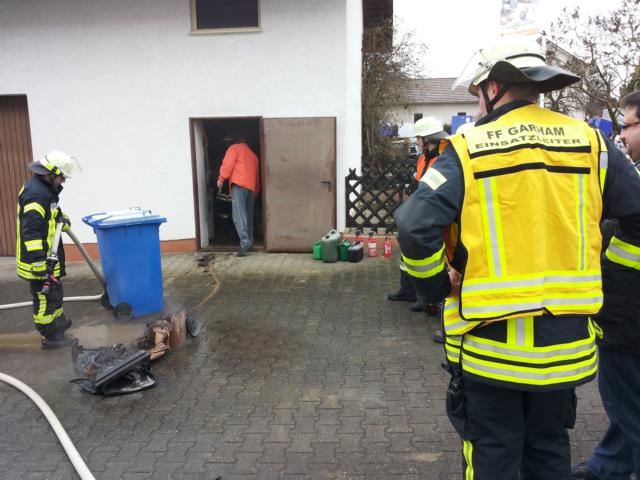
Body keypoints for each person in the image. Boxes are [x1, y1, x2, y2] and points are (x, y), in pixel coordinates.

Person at [395, 36, 640, 479]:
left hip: (491, 348)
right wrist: (605, 272)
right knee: (548, 451)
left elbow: (414, 226)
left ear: (494, 88)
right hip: (565, 347)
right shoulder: (592, 143)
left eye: (478, 93)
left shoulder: (468, 148)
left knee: (494, 455)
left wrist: (435, 287)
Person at [572, 90, 640, 480]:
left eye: (627, 126)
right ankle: (609, 465)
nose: (622, 136)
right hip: (627, 313)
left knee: (627, 402)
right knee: (629, 401)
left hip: (628, 319)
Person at [16, 151, 81, 349]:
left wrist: (61, 217)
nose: (64, 181)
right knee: (45, 298)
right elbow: (32, 232)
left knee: (55, 292)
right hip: (39, 260)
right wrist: (38, 262)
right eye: (62, 176)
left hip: (48, 257)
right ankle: (50, 336)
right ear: (51, 173)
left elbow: (50, 214)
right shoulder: (36, 195)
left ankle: (58, 325)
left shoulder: (45, 190)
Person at [387, 117, 448, 314]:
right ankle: (408, 291)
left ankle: (427, 297)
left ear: (428, 139)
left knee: (429, 256)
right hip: (419, 208)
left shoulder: (444, 158)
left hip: (434, 213)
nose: (417, 141)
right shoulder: (424, 157)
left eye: (419, 138)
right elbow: (420, 179)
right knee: (408, 250)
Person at [216, 138, 260, 257]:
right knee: (248, 216)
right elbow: (257, 177)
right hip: (251, 188)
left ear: (236, 141)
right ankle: (249, 242)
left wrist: (221, 178)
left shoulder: (234, 148)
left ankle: (245, 243)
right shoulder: (254, 156)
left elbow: (228, 164)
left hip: (239, 185)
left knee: (239, 215)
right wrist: (256, 191)